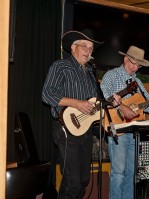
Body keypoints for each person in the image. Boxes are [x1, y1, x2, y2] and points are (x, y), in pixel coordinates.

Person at [42, 29, 120, 198]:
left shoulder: (90, 73)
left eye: (91, 48)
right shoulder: (61, 66)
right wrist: (76, 103)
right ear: (73, 48)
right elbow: (47, 94)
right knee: (73, 181)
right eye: (84, 46)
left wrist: (109, 102)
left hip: (84, 130)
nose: (89, 51)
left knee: (83, 179)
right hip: (65, 128)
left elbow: (94, 103)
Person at [100, 45, 149, 199]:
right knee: (118, 173)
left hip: (133, 133)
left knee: (131, 173)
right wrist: (122, 107)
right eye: (133, 63)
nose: (135, 68)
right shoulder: (112, 75)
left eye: (138, 65)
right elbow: (104, 95)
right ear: (125, 59)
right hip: (118, 130)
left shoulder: (138, 82)